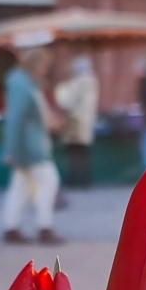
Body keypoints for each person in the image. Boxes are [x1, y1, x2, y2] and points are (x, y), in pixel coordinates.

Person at [1, 45, 60, 244]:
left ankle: (11, 227)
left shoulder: (26, 83)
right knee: (48, 181)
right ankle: (44, 226)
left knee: (21, 186)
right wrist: (11, 150)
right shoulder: (22, 85)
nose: (45, 71)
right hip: (31, 147)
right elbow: (15, 119)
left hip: (29, 145)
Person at [54, 54, 99, 190]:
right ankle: (85, 180)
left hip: (76, 122)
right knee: (83, 153)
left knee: (75, 153)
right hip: (86, 122)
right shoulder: (92, 81)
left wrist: (59, 90)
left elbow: (65, 101)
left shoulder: (79, 82)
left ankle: (76, 181)